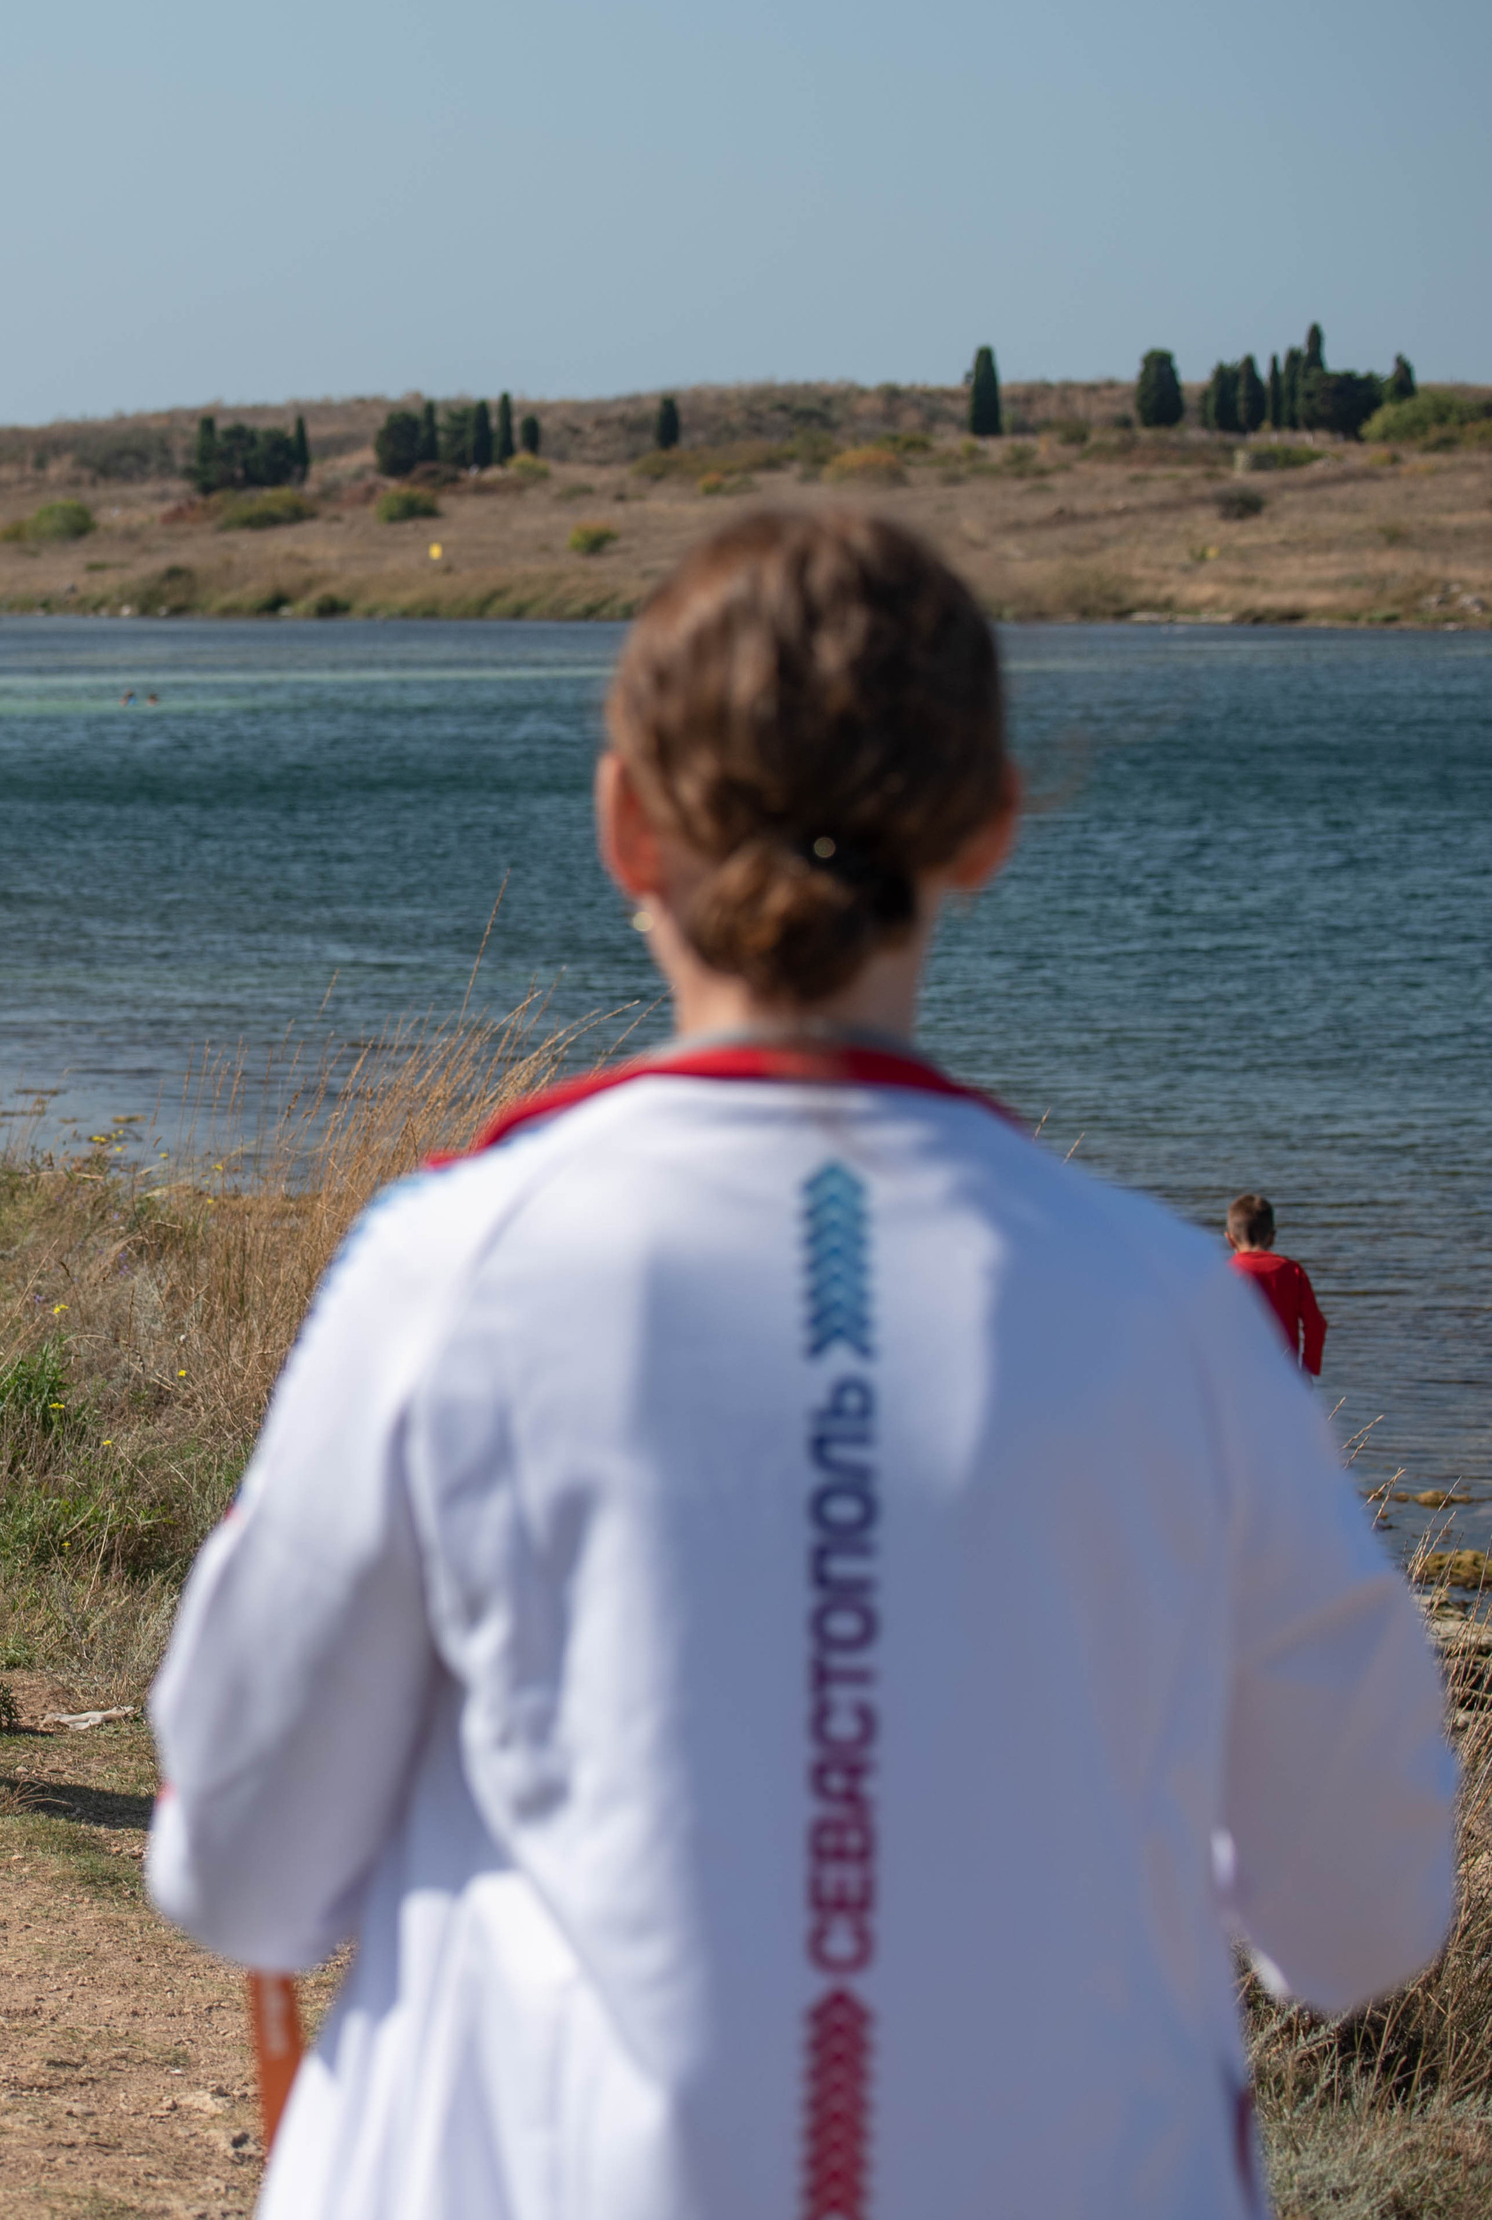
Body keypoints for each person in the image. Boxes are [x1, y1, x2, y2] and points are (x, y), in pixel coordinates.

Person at [145, 512, 1453, 2219]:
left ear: (627, 823)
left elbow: (238, 1860)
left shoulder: (448, 1271)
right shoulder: (1184, 1320)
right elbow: (1363, 1907)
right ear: (986, 826)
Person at [1227, 1191, 1328, 1374]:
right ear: (1272, 1237)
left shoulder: (1223, 1273)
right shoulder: (1292, 1271)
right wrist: (1307, 1370)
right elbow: (1315, 1325)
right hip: (1284, 1376)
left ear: (1230, 1239)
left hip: (1236, 1376)